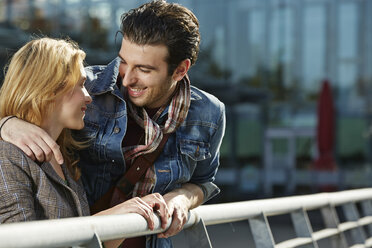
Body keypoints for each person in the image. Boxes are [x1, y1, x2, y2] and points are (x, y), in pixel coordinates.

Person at [0, 1, 226, 247]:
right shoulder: (87, 84)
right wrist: (6, 123)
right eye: (123, 62)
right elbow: (28, 94)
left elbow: (203, 182)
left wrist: (181, 198)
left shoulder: (209, 114)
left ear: (180, 70)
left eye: (144, 69)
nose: (127, 79)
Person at [0, 37, 169, 248]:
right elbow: (19, 244)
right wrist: (108, 218)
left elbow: (86, 243)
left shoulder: (64, 154)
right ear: (50, 88)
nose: (88, 97)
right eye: (80, 85)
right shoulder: (8, 156)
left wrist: (130, 212)